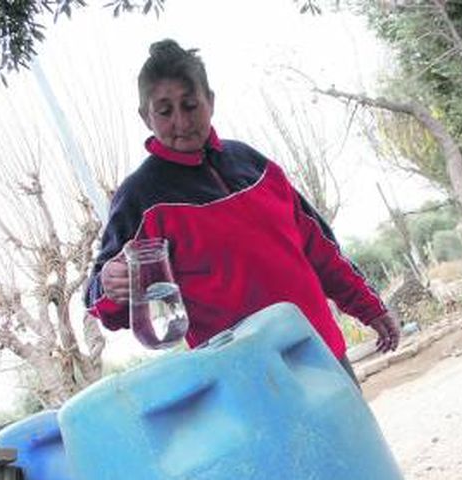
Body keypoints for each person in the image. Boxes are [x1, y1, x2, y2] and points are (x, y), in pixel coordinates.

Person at [84, 39, 400, 379]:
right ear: (146, 117)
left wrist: (370, 309)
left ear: (211, 101)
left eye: (190, 105)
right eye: (164, 111)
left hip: (320, 355)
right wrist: (110, 283)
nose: (181, 121)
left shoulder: (254, 166)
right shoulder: (141, 197)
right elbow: (101, 302)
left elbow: (319, 249)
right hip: (244, 381)